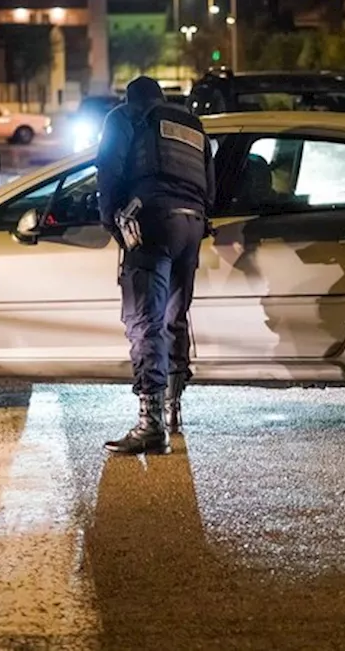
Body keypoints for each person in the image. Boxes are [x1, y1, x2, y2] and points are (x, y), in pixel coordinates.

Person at [98, 76, 215, 455]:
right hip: (192, 224)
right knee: (173, 317)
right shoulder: (191, 125)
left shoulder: (124, 117)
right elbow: (209, 188)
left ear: (130, 98)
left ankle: (150, 425)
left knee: (144, 320)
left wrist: (113, 224)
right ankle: (173, 409)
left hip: (151, 222)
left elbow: (109, 173)